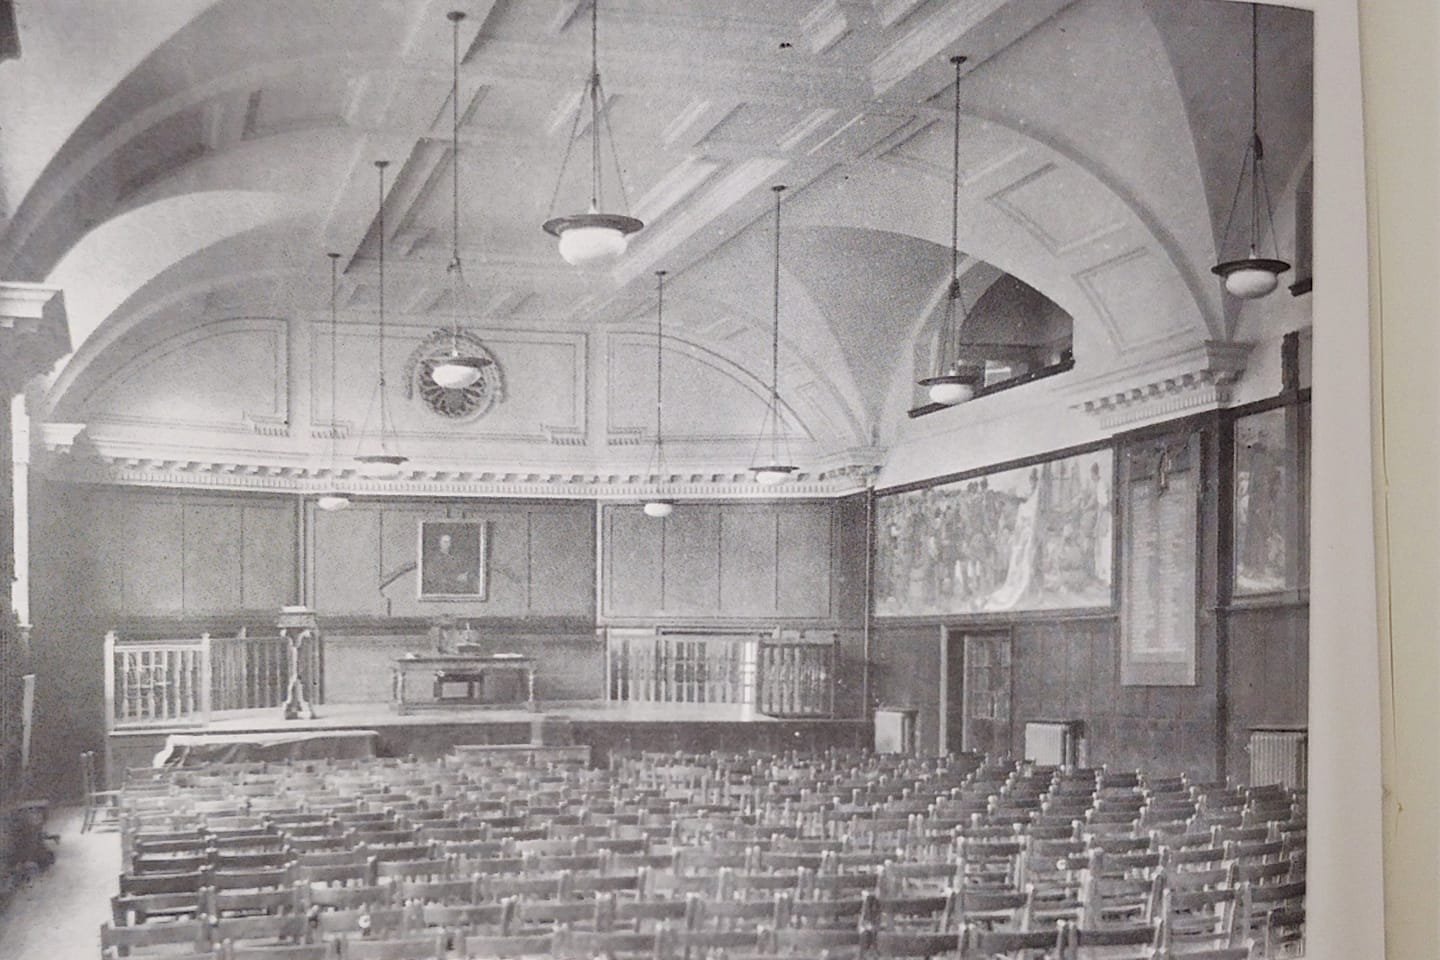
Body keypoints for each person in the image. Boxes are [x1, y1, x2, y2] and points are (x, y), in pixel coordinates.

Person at [424, 529, 475, 595]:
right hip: (442, 588)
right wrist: (456, 578)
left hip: (457, 586)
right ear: (439, 543)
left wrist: (464, 574)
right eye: (445, 542)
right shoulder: (434, 558)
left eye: (449, 542)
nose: (448, 544)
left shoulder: (454, 557)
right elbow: (434, 576)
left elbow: (460, 569)